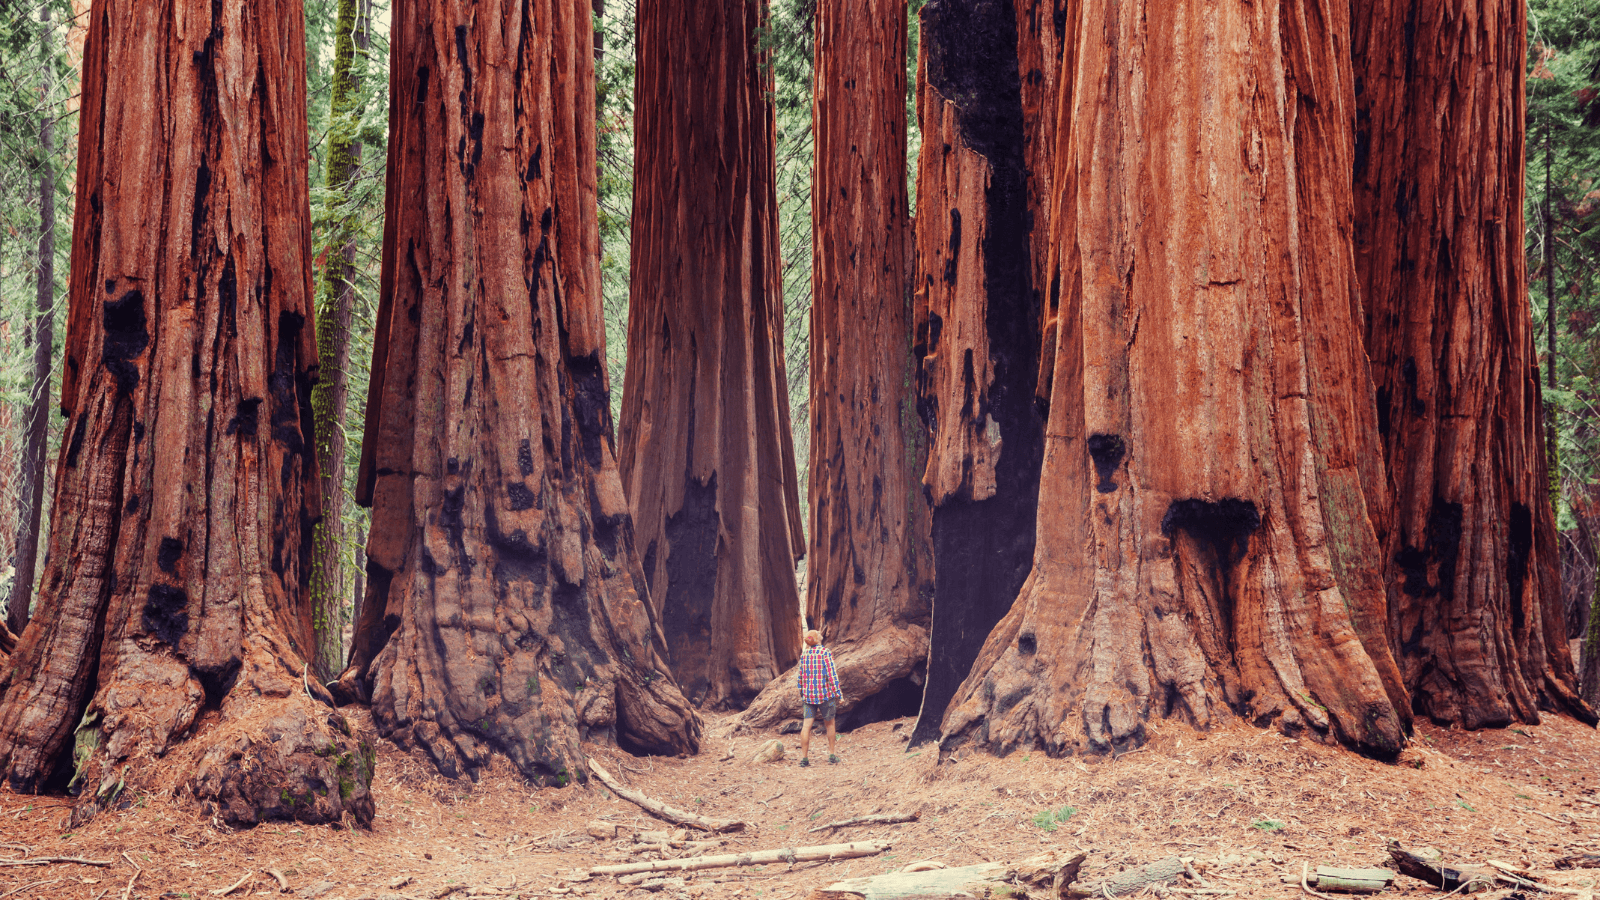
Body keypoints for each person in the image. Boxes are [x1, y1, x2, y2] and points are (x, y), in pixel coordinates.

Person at [796, 629, 842, 766]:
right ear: (816, 638)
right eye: (818, 633)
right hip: (825, 696)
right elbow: (832, 674)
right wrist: (838, 693)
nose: (821, 633)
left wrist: (802, 693)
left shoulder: (804, 655)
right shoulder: (825, 653)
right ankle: (832, 756)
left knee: (806, 726)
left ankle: (804, 759)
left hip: (809, 697)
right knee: (830, 724)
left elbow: (800, 677)